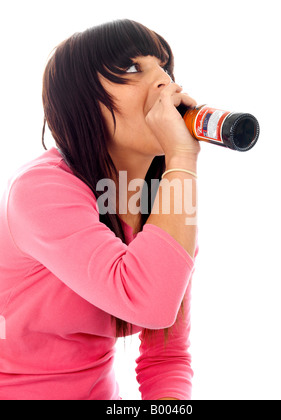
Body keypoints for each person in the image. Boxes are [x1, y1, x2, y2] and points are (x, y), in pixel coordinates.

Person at [0, 19, 200, 400]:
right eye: (130, 68)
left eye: (164, 67)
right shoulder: (41, 191)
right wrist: (182, 154)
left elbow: (166, 358)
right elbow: (149, 302)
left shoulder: (167, 206)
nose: (165, 82)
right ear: (82, 103)